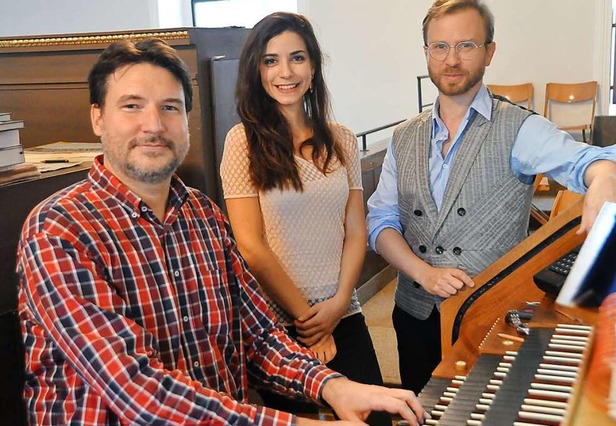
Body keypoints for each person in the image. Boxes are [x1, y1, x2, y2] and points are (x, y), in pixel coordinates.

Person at [16, 38, 427, 425]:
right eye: (132, 106)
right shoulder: (59, 229)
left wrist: (334, 386)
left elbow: (260, 335)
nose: (154, 124)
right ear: (97, 117)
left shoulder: (203, 216)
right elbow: (137, 391)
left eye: (171, 107)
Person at [366, 0, 616, 396]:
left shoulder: (519, 128)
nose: (451, 59)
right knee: (420, 408)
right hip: (414, 313)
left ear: (489, 51)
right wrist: (423, 273)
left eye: (466, 45)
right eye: (439, 47)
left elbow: (601, 159)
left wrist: (606, 179)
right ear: (426, 53)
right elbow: (381, 221)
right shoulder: (404, 136)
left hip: (488, 315)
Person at [219, 12, 389, 425]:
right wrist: (310, 322)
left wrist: (337, 305)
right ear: (256, 71)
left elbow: (354, 230)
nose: (285, 72)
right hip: (278, 324)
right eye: (271, 60)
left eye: (296, 58)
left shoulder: (342, 139)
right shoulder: (242, 142)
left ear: (313, 66)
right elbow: (251, 247)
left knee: (375, 417)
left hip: (342, 310)